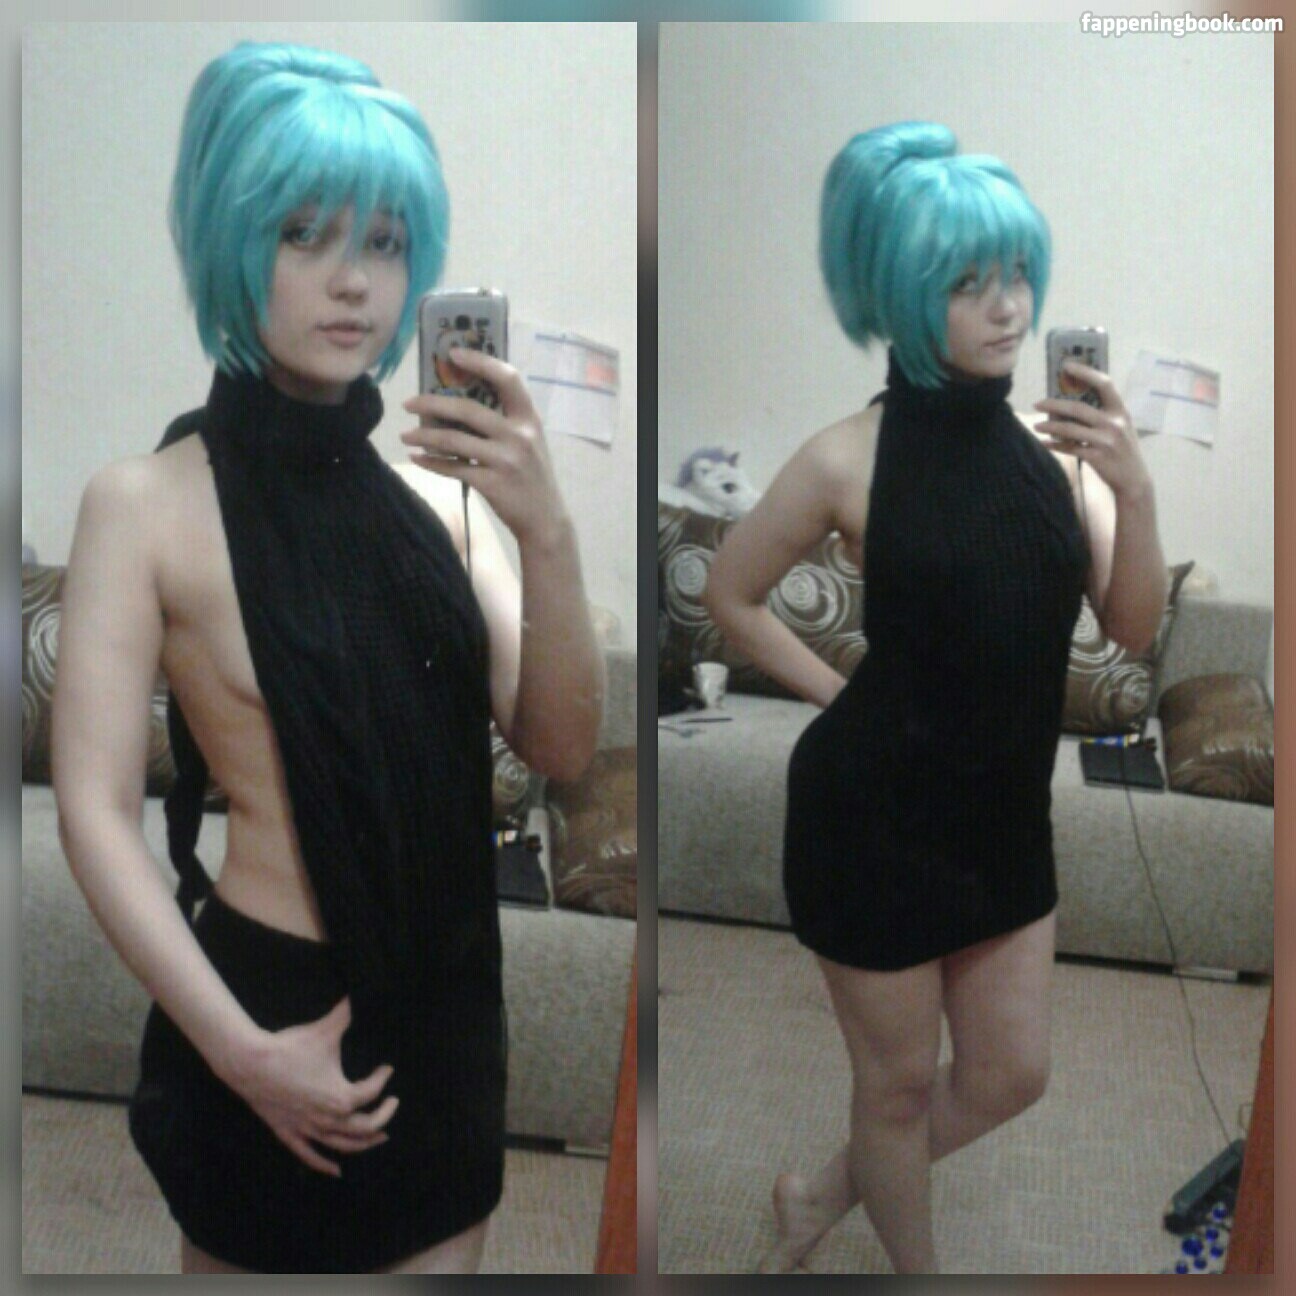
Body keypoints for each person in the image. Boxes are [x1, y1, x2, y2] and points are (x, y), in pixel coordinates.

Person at [51, 41, 604, 1275]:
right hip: (267, 1001)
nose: (356, 281)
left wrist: (548, 532)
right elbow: (92, 812)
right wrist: (239, 1051)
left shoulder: (446, 505)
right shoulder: (144, 504)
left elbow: (561, 746)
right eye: (306, 234)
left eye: (387, 242)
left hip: (450, 1004)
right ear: (231, 236)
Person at [702, 121, 1169, 1274]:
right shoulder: (845, 457)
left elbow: (1131, 628)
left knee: (1012, 1075)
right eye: (968, 283)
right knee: (899, 1087)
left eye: (1015, 273)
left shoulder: (1057, 458)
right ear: (909, 296)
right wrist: (842, 698)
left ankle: (817, 1195)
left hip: (1003, 821)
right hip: (873, 821)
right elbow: (730, 593)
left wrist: (1135, 489)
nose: (1007, 306)